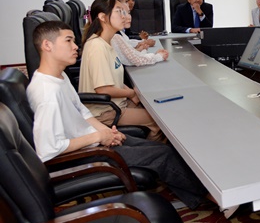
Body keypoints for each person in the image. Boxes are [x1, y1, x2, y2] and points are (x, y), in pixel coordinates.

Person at [28, 20, 208, 209]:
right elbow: (48, 149)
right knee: (162, 155)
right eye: (68, 41)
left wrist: (106, 132)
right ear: (47, 45)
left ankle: (195, 195)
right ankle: (212, 198)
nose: (75, 46)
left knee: (161, 149)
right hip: (84, 154)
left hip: (92, 140)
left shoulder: (59, 76)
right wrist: (98, 137)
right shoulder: (47, 94)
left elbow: (82, 111)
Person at [79, 0, 165, 142]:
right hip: (104, 111)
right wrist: (131, 93)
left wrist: (132, 94)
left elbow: (114, 79)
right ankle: (152, 152)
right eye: (119, 12)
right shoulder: (97, 47)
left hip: (116, 103)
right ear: (103, 17)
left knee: (156, 107)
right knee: (159, 121)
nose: (124, 16)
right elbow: (103, 89)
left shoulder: (107, 42)